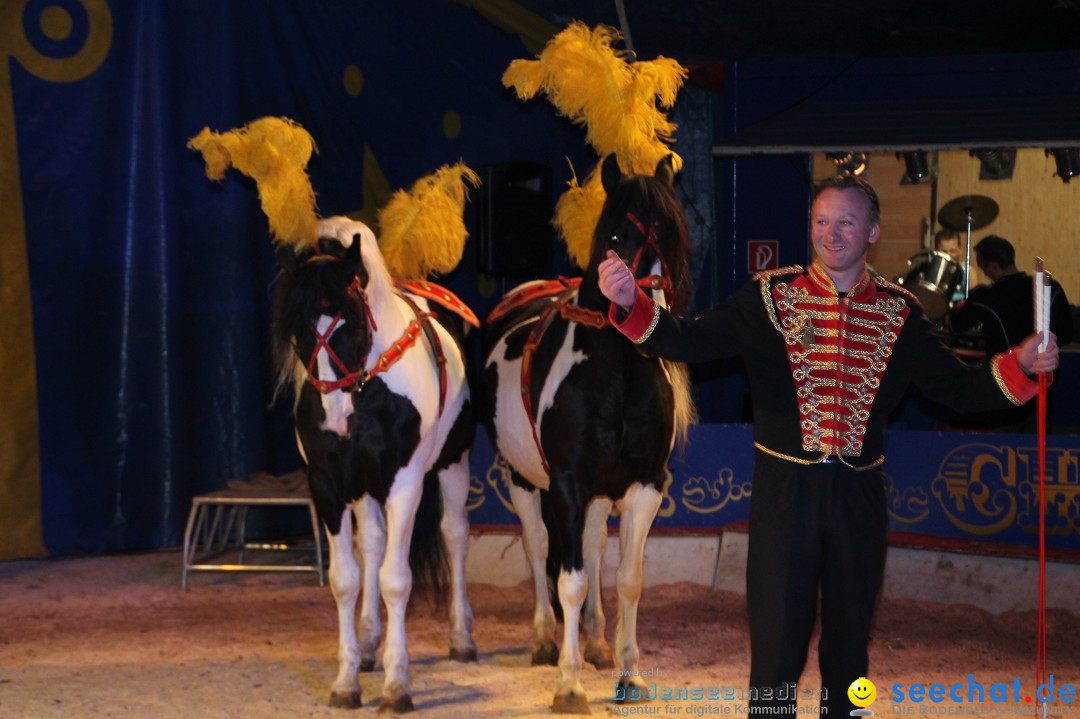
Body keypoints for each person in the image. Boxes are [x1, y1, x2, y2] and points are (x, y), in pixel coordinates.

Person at [597, 175, 1059, 716]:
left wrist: (1021, 366)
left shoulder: (900, 312)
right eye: (821, 221)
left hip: (859, 499)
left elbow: (959, 389)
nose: (831, 234)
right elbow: (689, 339)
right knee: (774, 646)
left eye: (846, 222)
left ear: (872, 232)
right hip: (783, 498)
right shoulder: (769, 297)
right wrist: (630, 302)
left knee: (851, 648)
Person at [947, 234, 1073, 431]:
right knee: (1035, 450)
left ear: (992, 267)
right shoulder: (1052, 288)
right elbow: (1067, 332)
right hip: (1042, 389)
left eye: (983, 268)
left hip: (1004, 393)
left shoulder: (986, 296)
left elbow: (955, 326)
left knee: (1004, 451)